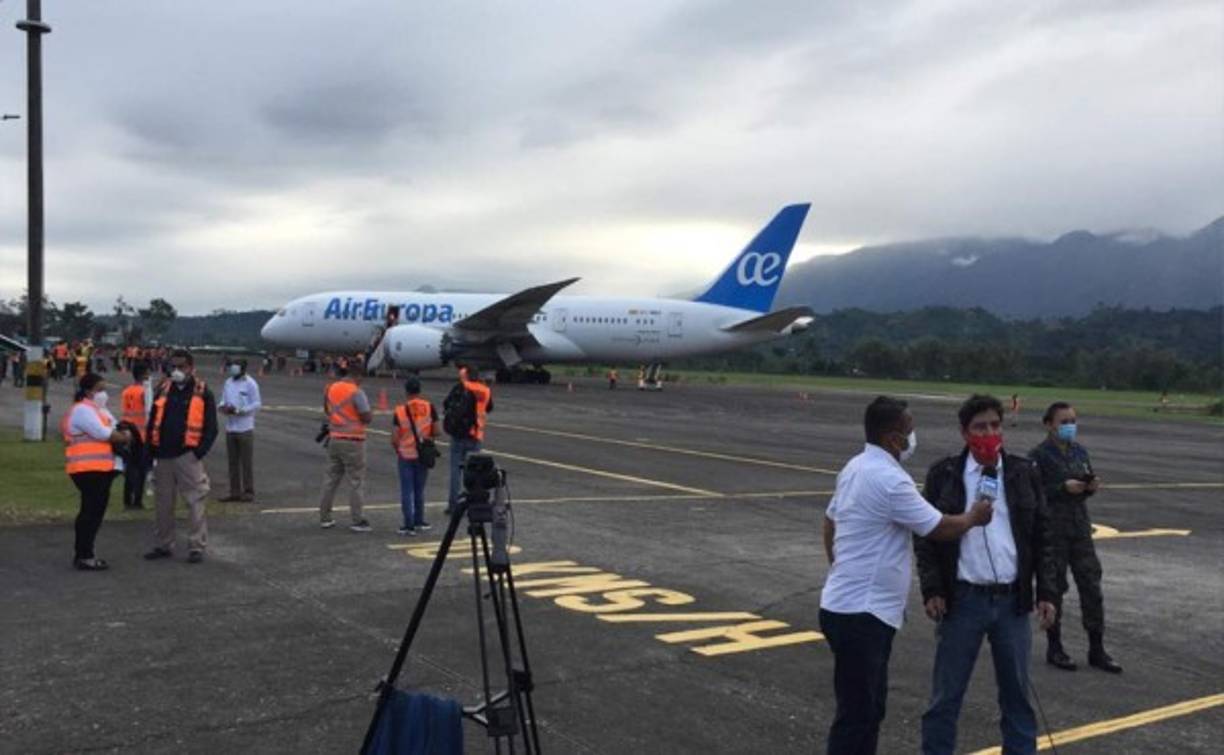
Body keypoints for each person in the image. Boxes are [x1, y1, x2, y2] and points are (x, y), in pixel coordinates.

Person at [820, 396, 993, 754]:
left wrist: (841, 569)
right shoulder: (890, 480)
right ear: (893, 438)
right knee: (859, 715)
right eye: (910, 431)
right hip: (863, 614)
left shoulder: (854, 467)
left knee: (864, 708)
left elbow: (829, 522)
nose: (913, 439)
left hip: (843, 605)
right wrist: (974, 517)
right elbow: (938, 527)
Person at [914, 394, 1058, 755]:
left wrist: (1048, 593)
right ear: (965, 433)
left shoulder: (1024, 472)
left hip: (1012, 601)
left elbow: (1044, 537)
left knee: (1018, 699)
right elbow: (927, 538)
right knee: (945, 698)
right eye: (981, 427)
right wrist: (932, 588)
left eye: (995, 425)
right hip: (962, 600)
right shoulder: (943, 475)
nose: (990, 432)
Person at [1029, 402, 1121, 673]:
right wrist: (1061, 487)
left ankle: (1097, 648)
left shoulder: (1080, 452)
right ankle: (1055, 647)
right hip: (1053, 531)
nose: (1070, 426)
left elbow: (1083, 485)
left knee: (1091, 586)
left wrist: (1089, 487)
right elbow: (1034, 494)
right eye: (1064, 421)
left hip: (1080, 529)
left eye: (1073, 420)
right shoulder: (1038, 456)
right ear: (1048, 424)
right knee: (1054, 588)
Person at [144, 349, 218, 564]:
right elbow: (152, 422)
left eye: (181, 367)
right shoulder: (163, 389)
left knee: (195, 500)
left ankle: (196, 546)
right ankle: (164, 544)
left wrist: (198, 452)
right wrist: (150, 450)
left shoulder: (203, 392)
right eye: (173, 366)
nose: (176, 371)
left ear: (191, 368)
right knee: (163, 502)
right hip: (163, 454)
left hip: (187, 455)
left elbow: (211, 427)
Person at [62, 373, 131, 570]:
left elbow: (117, 428)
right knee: (90, 513)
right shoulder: (83, 410)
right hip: (87, 468)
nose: (104, 394)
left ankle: (86, 553)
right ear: (87, 391)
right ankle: (84, 555)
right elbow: (106, 433)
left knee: (94, 512)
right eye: (99, 389)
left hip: (101, 468)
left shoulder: (99, 410)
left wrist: (123, 434)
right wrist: (123, 437)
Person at [318, 364, 374, 531]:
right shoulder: (357, 392)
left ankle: (324, 516)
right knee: (355, 481)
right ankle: (357, 520)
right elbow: (366, 417)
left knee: (330, 480)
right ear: (357, 375)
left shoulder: (331, 388)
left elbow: (328, 411)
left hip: (335, 438)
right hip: (353, 440)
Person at [391, 376, 438, 535]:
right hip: (422, 454)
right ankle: (419, 521)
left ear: (406, 391)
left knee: (407, 490)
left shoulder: (400, 410)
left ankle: (408, 524)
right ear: (419, 390)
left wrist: (398, 448)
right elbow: (437, 431)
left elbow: (395, 437)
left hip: (405, 454)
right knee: (419, 489)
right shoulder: (429, 407)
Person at [444, 364, 493, 514]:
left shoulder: (461, 387)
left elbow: (446, 404)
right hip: (476, 434)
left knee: (455, 472)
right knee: (474, 473)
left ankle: (453, 505)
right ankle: (473, 504)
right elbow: (489, 407)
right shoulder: (485, 389)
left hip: (459, 434)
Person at [218, 359, 262, 503]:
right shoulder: (228, 382)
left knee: (246, 462)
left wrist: (241, 410)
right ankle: (234, 491)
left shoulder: (250, 383)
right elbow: (223, 400)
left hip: (245, 427)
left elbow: (257, 403)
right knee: (232, 462)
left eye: (235, 367)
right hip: (231, 426)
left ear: (243, 368)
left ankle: (248, 491)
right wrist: (223, 407)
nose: (233, 370)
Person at [119, 364, 152, 510]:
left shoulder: (127, 391)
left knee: (130, 467)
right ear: (144, 375)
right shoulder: (143, 392)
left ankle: (127, 500)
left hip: (127, 431)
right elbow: (149, 408)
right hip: (141, 433)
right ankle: (137, 500)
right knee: (141, 469)